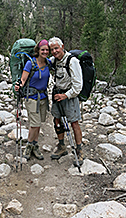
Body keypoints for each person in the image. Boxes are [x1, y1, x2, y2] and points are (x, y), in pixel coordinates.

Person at [48, 37, 84, 166]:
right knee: (57, 120)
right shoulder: (54, 61)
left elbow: (78, 86)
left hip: (69, 96)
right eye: (52, 49)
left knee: (74, 123)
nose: (54, 51)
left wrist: (66, 95)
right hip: (57, 94)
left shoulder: (72, 61)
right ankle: (62, 146)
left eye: (56, 48)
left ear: (62, 46)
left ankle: (79, 150)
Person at [15, 39, 51, 161]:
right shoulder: (30, 63)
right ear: (38, 50)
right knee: (34, 124)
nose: (45, 52)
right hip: (31, 97)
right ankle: (29, 146)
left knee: (39, 123)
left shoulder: (49, 63)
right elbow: (23, 79)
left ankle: (35, 145)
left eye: (47, 50)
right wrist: (18, 85)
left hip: (43, 98)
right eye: (43, 50)